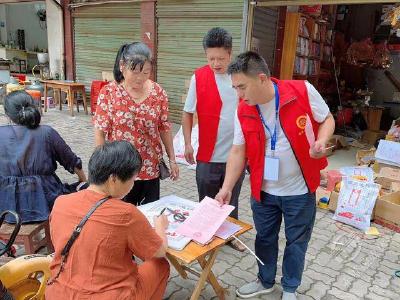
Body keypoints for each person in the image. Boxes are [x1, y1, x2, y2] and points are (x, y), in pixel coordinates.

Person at [215, 51, 335, 300]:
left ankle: (290, 288)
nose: (239, 94)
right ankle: (265, 280)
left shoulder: (302, 91)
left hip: (299, 191)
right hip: (264, 190)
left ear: (261, 78)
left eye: (242, 87)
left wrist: (322, 141)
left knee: (297, 242)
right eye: (235, 88)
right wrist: (227, 187)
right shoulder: (243, 109)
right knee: (265, 239)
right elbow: (238, 150)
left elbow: (327, 119)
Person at [46, 141, 170, 299]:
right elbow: (159, 251)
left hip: (58, 291)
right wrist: (160, 226)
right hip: (108, 296)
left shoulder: (61, 202)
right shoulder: (126, 213)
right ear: (114, 179)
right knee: (160, 264)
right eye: (132, 180)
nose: (133, 185)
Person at [182, 27, 245, 252]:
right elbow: (188, 112)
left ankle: (231, 235)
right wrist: (188, 143)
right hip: (208, 153)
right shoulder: (199, 77)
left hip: (236, 153)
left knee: (232, 197)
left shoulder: (240, 76)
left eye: (220, 58)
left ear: (230, 54)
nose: (216, 63)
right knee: (207, 200)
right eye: (211, 58)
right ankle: (206, 234)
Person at [94, 42, 179, 206]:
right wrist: (102, 167)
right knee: (121, 217)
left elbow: (164, 128)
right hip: (119, 170)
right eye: (135, 72)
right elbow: (100, 132)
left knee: (149, 215)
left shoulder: (158, 93)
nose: (140, 78)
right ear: (122, 67)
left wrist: (172, 159)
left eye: (146, 72)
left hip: (150, 169)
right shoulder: (109, 93)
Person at [0, 91, 86, 223]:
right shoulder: (47, 132)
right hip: (46, 202)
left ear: (7, 113)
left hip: (8, 207)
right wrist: (83, 181)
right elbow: (72, 161)